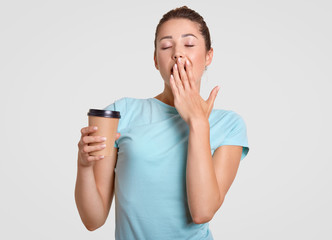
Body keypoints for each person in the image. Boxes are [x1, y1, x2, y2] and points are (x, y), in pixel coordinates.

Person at [75, 6, 249, 240]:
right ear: (156, 60)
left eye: (189, 44)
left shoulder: (229, 125)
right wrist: (84, 166)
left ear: (208, 55)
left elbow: (202, 212)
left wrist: (198, 122)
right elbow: (92, 220)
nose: (177, 53)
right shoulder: (121, 112)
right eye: (166, 46)